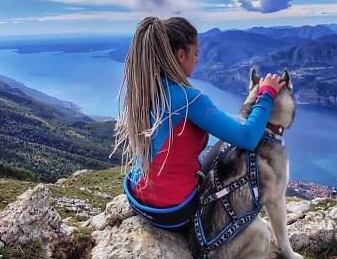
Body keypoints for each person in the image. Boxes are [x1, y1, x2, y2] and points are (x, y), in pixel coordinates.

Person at [114, 16, 286, 228]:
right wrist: (266, 93)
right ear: (180, 55)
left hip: (138, 199)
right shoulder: (190, 99)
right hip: (173, 212)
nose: (197, 59)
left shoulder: (145, 89)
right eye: (195, 54)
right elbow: (248, 138)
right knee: (228, 146)